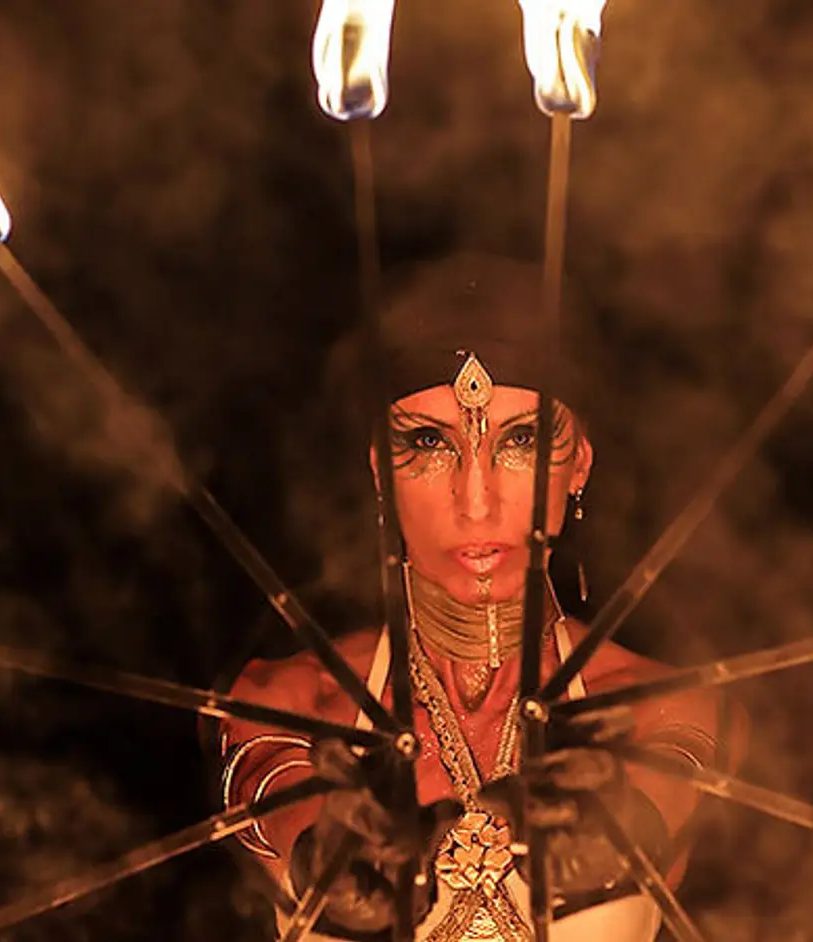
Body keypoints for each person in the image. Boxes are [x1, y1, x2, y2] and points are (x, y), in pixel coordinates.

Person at [216, 253, 740, 941]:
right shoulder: (291, 705)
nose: (476, 499)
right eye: (430, 444)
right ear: (381, 469)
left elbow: (674, 772)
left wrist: (622, 822)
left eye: (521, 441)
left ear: (578, 460)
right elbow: (270, 788)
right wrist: (322, 850)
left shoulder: (658, 704)